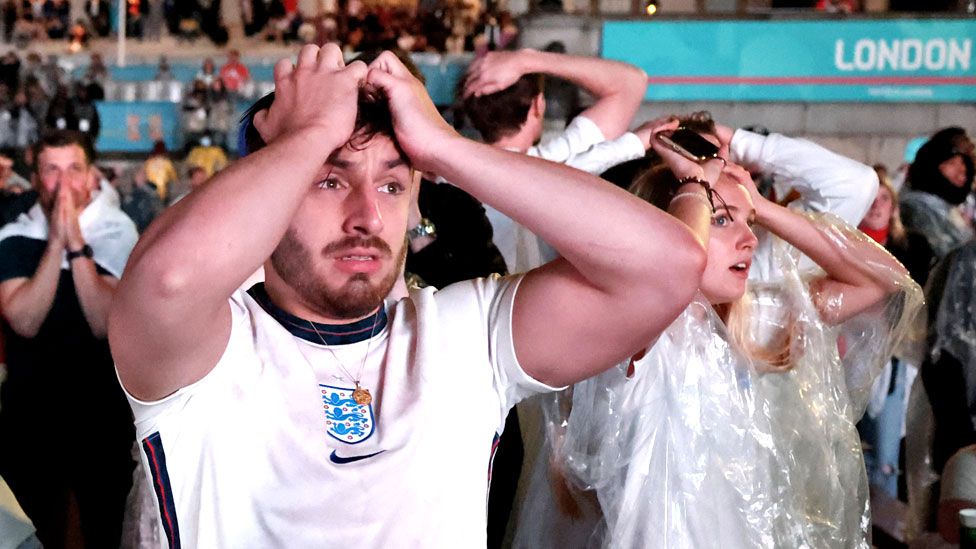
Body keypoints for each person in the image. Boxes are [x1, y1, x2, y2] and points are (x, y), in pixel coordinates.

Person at [109, 45, 708, 547]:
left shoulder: (463, 335)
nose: (366, 215)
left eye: (393, 184)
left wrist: (445, 147)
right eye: (328, 179)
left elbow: (666, 267)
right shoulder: (210, 351)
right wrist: (311, 131)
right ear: (275, 186)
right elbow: (169, 279)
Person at [514, 116, 921, 548]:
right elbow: (568, 202)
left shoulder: (740, 326)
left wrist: (762, 207)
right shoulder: (629, 332)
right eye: (723, 221)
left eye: (749, 223)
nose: (750, 239)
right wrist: (673, 170)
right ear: (661, 230)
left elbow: (879, 279)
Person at [0, 130, 139, 548]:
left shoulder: (117, 231)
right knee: (36, 528)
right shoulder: (15, 235)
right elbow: (24, 319)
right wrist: (55, 242)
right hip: (31, 410)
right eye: (51, 170)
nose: (64, 184)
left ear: (91, 176)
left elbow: (102, 320)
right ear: (36, 177)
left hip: (101, 411)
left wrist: (76, 244)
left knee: (104, 526)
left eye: (73, 169)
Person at [461, 48, 650, 273]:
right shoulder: (561, 163)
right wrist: (528, 59)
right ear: (538, 104)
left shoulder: (443, 175)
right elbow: (631, 82)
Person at [900, 127, 975, 261]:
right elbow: (942, 254)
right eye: (951, 163)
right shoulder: (918, 207)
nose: (962, 170)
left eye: (963, 162)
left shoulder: (948, 205)